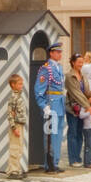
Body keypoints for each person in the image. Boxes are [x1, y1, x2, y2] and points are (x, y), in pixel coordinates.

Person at [34, 42, 67, 173]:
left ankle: (56, 162)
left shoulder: (59, 68)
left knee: (58, 135)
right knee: (50, 135)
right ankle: (49, 163)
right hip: (51, 105)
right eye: (57, 52)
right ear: (51, 53)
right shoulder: (46, 69)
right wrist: (44, 106)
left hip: (59, 104)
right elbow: (39, 90)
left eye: (60, 52)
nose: (60, 54)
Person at [65, 53, 90, 167]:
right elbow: (76, 94)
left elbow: (86, 91)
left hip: (82, 110)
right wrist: (88, 106)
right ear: (73, 63)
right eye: (79, 62)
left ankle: (78, 157)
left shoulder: (83, 75)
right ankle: (72, 159)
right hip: (73, 109)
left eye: (82, 62)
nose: (81, 64)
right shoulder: (70, 76)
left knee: (80, 133)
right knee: (73, 133)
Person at [6, 72, 27, 179]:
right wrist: (14, 127)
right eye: (19, 84)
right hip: (16, 125)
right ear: (13, 85)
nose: (21, 86)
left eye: (21, 84)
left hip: (20, 124)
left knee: (19, 148)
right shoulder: (13, 97)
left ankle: (17, 169)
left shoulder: (18, 96)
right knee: (14, 147)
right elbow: (10, 114)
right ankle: (12, 171)